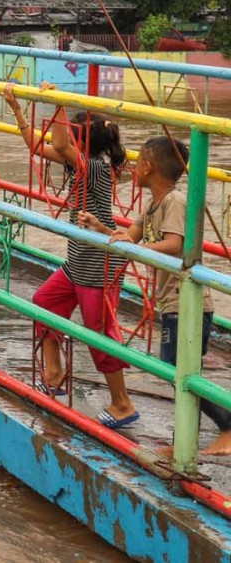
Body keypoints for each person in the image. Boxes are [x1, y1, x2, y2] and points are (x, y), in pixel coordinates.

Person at [81, 138, 231, 450]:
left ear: (148, 167)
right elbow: (128, 239)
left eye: (138, 163)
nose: (134, 168)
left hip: (187, 301)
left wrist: (134, 247)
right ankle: (187, 439)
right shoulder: (151, 205)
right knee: (178, 371)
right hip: (171, 301)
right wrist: (101, 228)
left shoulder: (174, 201)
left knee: (179, 371)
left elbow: (175, 245)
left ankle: (224, 425)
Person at [4, 82, 134, 424]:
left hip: (97, 262)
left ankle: (122, 403)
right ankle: (54, 375)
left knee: (98, 331)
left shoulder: (96, 169)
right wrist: (17, 108)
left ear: (83, 142)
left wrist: (58, 102)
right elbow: (37, 145)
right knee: (45, 302)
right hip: (79, 260)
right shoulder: (80, 165)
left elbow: (59, 142)